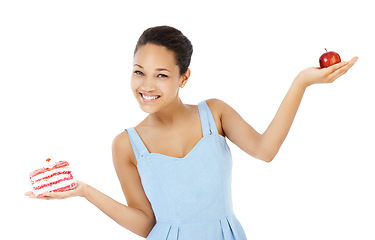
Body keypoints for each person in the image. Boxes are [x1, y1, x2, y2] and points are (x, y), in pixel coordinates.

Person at [25, 25, 358, 239]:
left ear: (184, 78)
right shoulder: (126, 144)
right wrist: (84, 190)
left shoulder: (215, 113)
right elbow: (146, 225)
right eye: (139, 72)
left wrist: (301, 82)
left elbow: (265, 150)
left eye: (161, 75)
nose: (146, 86)